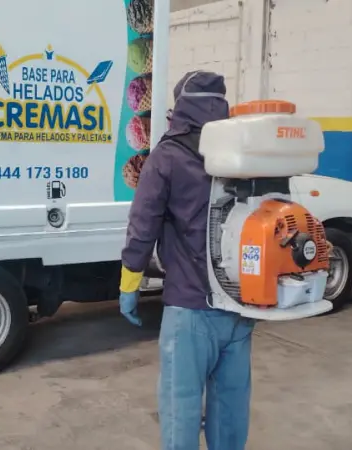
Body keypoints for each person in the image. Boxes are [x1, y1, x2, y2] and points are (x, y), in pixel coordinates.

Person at [118, 71, 256, 450]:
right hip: (239, 306)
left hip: (189, 310)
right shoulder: (242, 153)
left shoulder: (168, 155)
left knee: (181, 407)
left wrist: (130, 284)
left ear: (180, 107)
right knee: (231, 408)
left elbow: (143, 225)